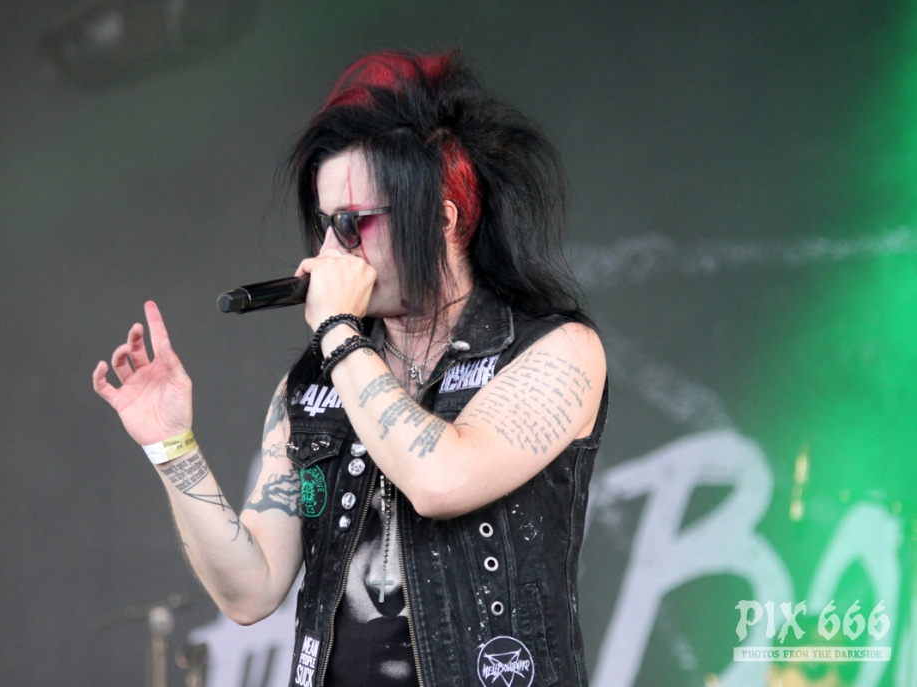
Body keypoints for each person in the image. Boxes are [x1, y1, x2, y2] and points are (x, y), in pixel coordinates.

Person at [93, 51, 607, 687]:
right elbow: (250, 592)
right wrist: (172, 447)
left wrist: (337, 329)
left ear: (441, 221)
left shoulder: (555, 351)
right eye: (325, 225)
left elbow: (441, 479)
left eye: (351, 224)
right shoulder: (314, 385)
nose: (328, 252)